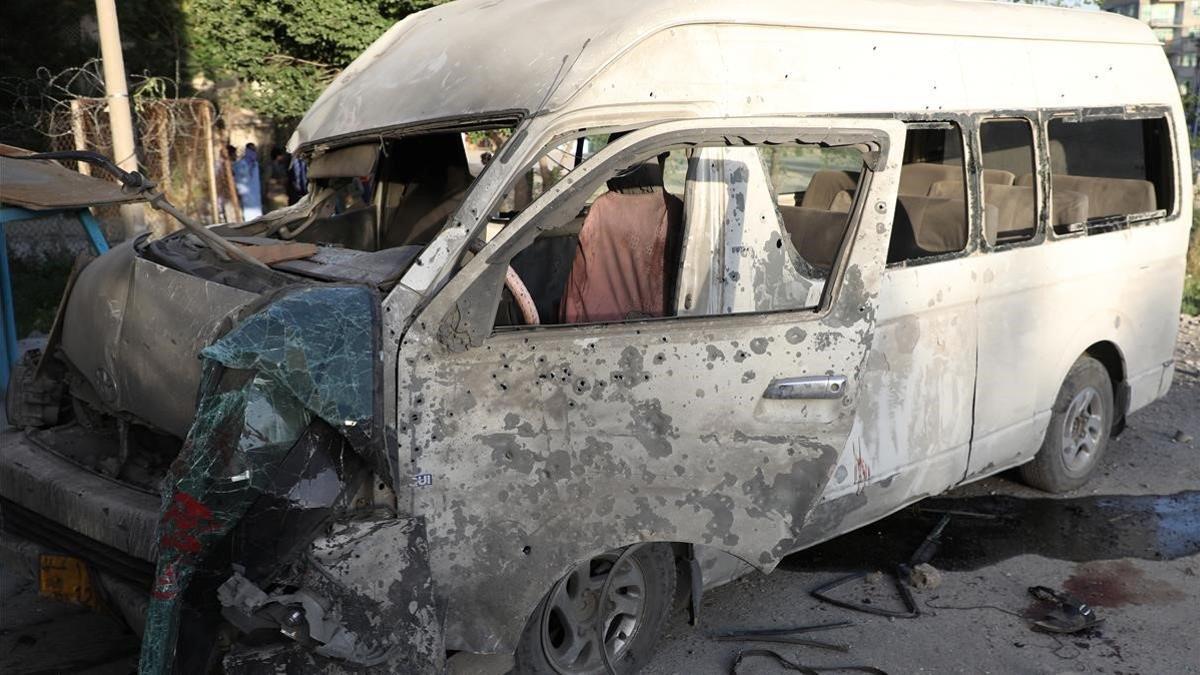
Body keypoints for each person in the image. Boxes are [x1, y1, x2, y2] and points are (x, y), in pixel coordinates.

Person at [233, 142, 264, 220]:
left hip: (255, 194)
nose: (253, 153)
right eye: (251, 150)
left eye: (254, 150)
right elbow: (238, 180)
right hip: (245, 195)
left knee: (256, 215)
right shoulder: (239, 164)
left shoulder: (255, 165)